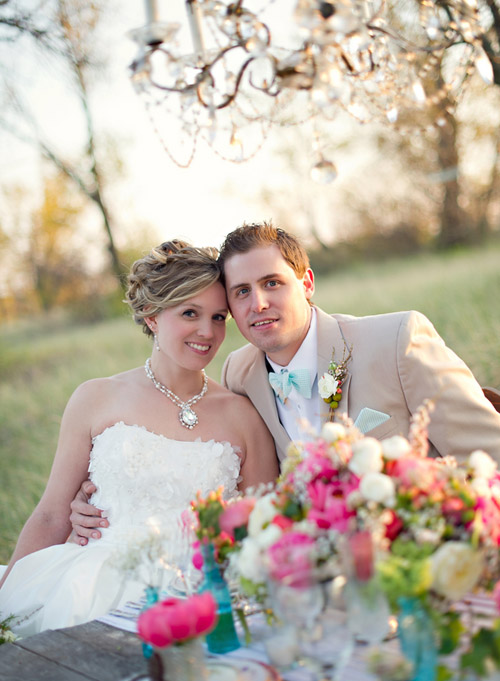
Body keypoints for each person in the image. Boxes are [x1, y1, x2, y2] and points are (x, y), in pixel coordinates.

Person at [69, 222, 500, 545]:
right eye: (240, 292)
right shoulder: (238, 375)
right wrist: (105, 499)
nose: (258, 303)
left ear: (307, 283)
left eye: (272, 283)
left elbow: (489, 453)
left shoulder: (396, 340)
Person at [0, 240, 278, 637]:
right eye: (189, 313)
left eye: (219, 317)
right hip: (92, 590)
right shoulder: (95, 398)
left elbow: (263, 528)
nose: (207, 332)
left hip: (205, 596)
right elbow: (51, 513)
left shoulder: (243, 415)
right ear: (150, 315)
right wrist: (8, 595)